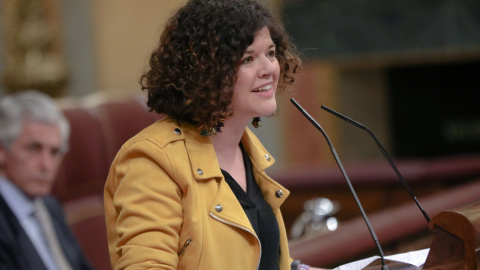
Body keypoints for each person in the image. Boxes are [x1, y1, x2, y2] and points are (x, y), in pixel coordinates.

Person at [104, 0, 323, 269]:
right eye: (248, 59)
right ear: (207, 72)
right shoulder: (152, 161)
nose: (268, 69)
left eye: (271, 53)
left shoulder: (248, 150)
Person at [0, 90, 95, 270]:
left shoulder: (49, 206)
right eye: (33, 149)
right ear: (2, 151)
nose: (46, 165)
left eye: (54, 152)